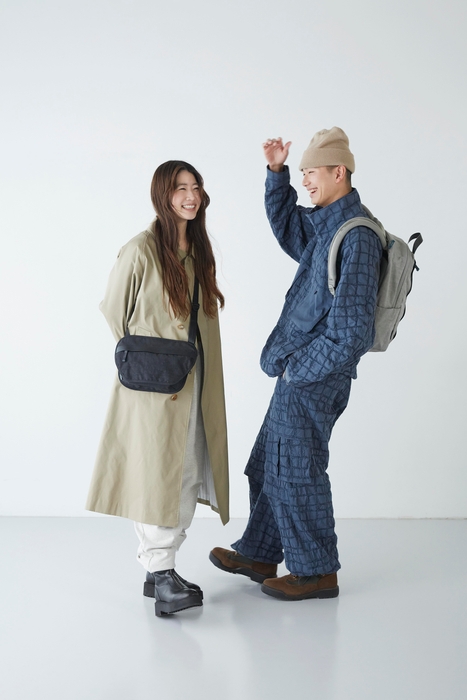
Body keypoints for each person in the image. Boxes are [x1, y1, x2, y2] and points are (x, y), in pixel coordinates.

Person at [210, 127, 382, 601]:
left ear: (339, 172)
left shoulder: (358, 237)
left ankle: (316, 571)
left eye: (311, 172)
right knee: (269, 461)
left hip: (315, 375)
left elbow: (352, 332)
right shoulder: (328, 224)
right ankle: (260, 552)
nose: (305, 181)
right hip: (300, 369)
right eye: (302, 173)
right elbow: (288, 226)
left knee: (297, 469)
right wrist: (276, 173)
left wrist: (300, 369)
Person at [86, 160, 229, 616]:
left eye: (195, 187)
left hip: (194, 380)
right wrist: (149, 360)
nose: (191, 196)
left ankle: (158, 571)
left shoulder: (198, 249)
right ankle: (162, 571)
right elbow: (114, 311)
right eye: (180, 188)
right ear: (162, 195)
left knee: (186, 470)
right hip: (153, 387)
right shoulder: (140, 249)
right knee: (158, 474)